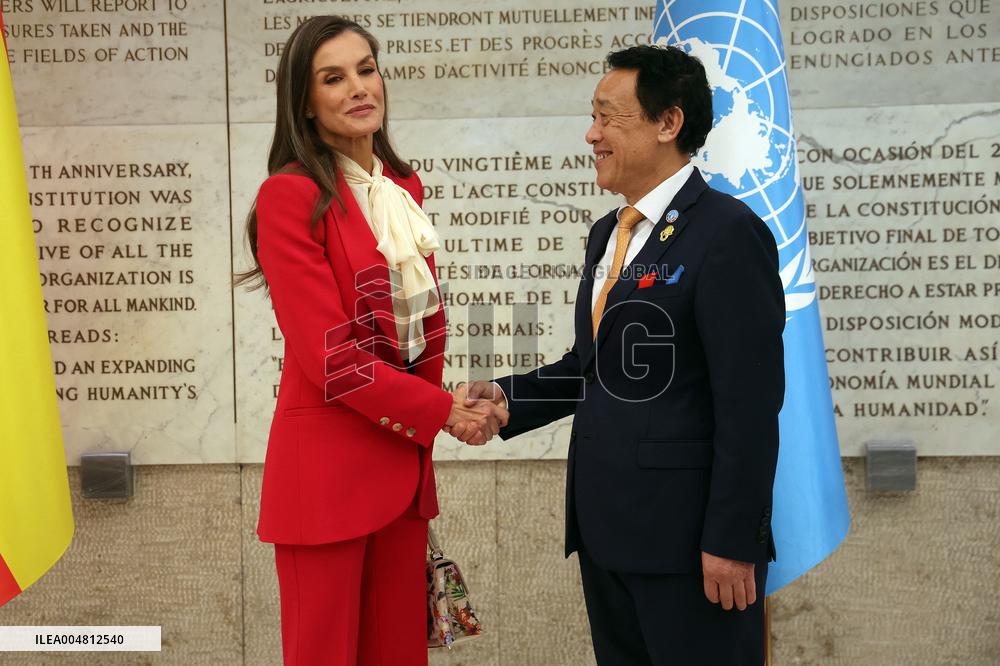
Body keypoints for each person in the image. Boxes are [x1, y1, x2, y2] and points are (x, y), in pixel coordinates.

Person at [457, 45, 785, 665]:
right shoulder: (609, 233)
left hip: (692, 547)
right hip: (608, 533)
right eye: (594, 117)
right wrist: (510, 398)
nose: (592, 134)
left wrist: (734, 539)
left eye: (609, 118)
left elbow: (751, 404)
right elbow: (599, 368)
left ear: (669, 124)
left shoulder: (727, 234)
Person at [233, 16, 507, 666]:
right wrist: (443, 413)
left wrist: (449, 402)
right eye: (334, 78)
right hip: (325, 485)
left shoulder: (402, 191)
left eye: (366, 68)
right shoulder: (288, 197)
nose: (359, 87)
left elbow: (404, 343)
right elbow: (332, 360)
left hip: (401, 478)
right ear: (304, 101)